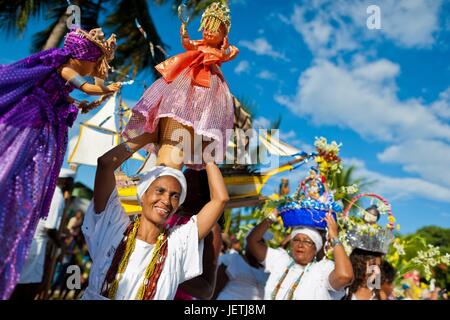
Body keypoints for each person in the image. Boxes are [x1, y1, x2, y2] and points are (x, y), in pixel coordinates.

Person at [0, 28, 121, 299]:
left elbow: (70, 94)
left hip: (42, 125)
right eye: (95, 60)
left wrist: (77, 103)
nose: (96, 67)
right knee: (12, 161)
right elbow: (88, 86)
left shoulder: (62, 74)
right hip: (33, 122)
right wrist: (106, 88)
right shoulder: (66, 69)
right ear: (83, 57)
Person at [81, 133, 229, 300]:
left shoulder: (176, 245)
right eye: (160, 191)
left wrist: (207, 157)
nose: (166, 200)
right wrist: (149, 136)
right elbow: (105, 164)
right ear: (142, 195)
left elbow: (220, 199)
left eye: (175, 196)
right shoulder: (114, 226)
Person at [123, 1, 239, 170]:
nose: (209, 32)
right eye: (206, 27)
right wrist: (184, 34)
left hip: (208, 84)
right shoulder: (200, 45)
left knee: (198, 110)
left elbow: (228, 54)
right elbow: (188, 45)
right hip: (187, 77)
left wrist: (224, 50)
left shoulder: (217, 52)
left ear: (223, 36)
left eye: (215, 30)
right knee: (177, 103)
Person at [247, 210, 353, 300]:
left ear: (315, 248)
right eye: (296, 240)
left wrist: (334, 236)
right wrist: (272, 216)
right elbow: (252, 241)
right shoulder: (280, 260)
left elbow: (345, 276)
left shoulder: (322, 270)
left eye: (307, 241)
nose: (300, 245)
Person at [9, 168, 75, 300]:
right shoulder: (57, 196)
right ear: (66, 181)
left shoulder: (47, 191)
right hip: (37, 246)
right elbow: (50, 228)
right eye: (71, 181)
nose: (72, 185)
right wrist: (62, 245)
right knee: (28, 287)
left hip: (30, 243)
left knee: (20, 282)